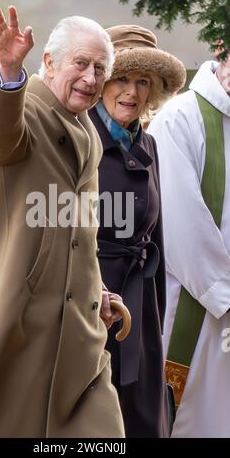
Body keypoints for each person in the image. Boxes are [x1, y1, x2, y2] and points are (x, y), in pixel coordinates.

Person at [0, 6, 126, 438]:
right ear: (48, 62)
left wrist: (96, 288)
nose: (90, 77)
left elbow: (78, 233)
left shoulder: (86, 130)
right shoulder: (25, 110)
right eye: (80, 64)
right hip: (26, 324)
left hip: (79, 331)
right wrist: (9, 73)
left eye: (100, 69)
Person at [89, 25, 186, 437]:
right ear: (102, 82)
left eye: (142, 82)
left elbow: (156, 238)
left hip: (140, 305)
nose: (131, 92)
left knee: (145, 416)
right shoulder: (79, 138)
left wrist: (157, 316)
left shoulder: (148, 146)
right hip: (90, 301)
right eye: (122, 78)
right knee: (96, 418)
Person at [148, 52, 230, 438]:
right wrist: (226, 296)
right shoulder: (180, 118)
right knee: (191, 419)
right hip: (197, 306)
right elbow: (180, 224)